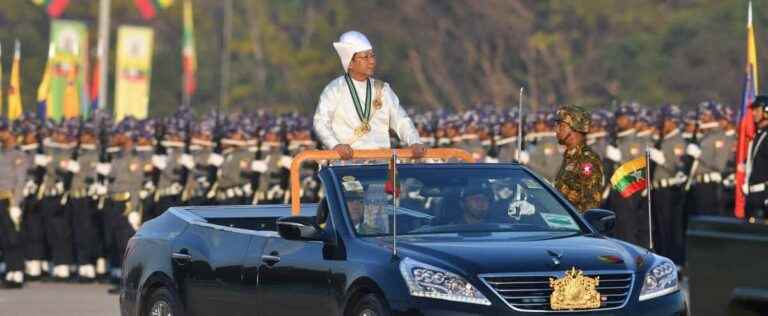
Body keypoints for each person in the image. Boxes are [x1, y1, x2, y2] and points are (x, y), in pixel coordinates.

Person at [313, 30, 425, 160]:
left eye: (372, 56)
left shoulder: (382, 89)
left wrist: (415, 142)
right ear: (350, 62)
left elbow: (401, 120)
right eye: (365, 57)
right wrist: (335, 145)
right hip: (346, 164)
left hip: (382, 163)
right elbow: (320, 122)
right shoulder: (334, 89)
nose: (371, 61)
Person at [553, 105, 605, 213]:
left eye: (561, 125)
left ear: (574, 127)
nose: (556, 129)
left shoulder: (587, 160)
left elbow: (591, 204)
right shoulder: (569, 157)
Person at [745, 95, 768, 221]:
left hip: (764, 195)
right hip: (754, 195)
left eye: (756, 109)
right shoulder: (759, 134)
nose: (753, 113)